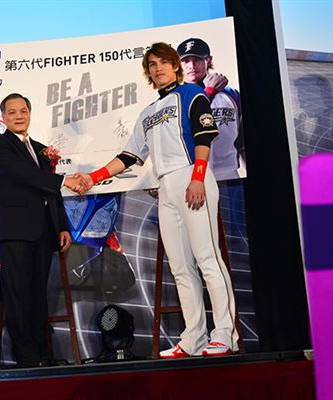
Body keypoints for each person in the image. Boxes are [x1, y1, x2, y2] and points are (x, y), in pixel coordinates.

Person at [76, 43, 238, 358]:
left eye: (164, 62)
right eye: (152, 64)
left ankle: (224, 335)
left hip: (192, 175)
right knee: (180, 267)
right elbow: (129, 156)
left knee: (208, 258)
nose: (158, 68)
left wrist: (197, 177)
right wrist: (92, 178)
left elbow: (204, 137)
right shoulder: (147, 112)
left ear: (175, 66)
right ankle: (194, 338)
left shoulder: (192, 94)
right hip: (165, 185)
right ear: (148, 72)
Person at [0, 93, 84, 367]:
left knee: (39, 294)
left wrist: (61, 225)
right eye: (12, 112)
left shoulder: (40, 149)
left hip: (44, 230)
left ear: (30, 113)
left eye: (23, 111)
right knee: (18, 294)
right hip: (17, 230)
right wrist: (64, 180)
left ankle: (43, 354)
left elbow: (50, 191)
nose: (19, 116)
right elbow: (20, 174)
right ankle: (26, 357)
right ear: (3, 117)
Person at [177, 38, 244, 180]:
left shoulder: (231, 94)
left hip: (229, 177)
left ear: (208, 60)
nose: (191, 65)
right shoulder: (175, 97)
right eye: (185, 61)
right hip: (191, 178)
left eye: (197, 59)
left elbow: (242, 142)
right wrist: (210, 91)